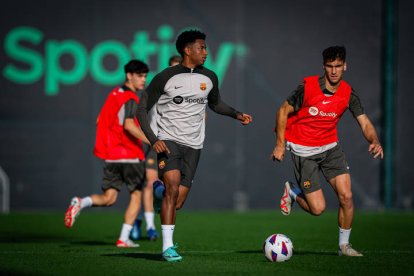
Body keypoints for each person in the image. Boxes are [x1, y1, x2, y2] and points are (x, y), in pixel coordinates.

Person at [137, 30, 253, 262]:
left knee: (177, 201)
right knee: (172, 187)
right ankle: (167, 247)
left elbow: (216, 104)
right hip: (168, 140)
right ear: (187, 50)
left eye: (206, 48)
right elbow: (141, 109)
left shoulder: (209, 77)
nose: (206, 52)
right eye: (201, 48)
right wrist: (154, 139)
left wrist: (236, 114)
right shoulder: (165, 77)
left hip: (194, 144)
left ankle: (158, 194)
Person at [270, 46, 384, 257]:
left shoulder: (348, 93)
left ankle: (344, 246)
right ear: (324, 66)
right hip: (304, 151)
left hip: (331, 148)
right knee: (318, 209)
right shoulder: (308, 87)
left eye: (338, 66)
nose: (334, 71)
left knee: (347, 197)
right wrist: (279, 144)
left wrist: (374, 140)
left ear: (345, 66)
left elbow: (365, 122)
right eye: (330, 66)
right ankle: (294, 192)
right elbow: (282, 111)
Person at [64, 60, 150, 248]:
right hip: (130, 154)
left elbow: (99, 120)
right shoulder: (131, 98)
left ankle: (81, 202)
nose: (144, 80)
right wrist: (151, 140)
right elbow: (128, 125)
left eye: (145, 76)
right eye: (140, 76)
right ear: (129, 76)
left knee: (109, 198)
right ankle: (123, 238)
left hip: (112, 156)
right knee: (136, 196)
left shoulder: (114, 94)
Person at [130, 55, 183, 241]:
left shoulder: (189, 89)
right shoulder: (160, 85)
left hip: (179, 143)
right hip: (157, 141)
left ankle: (137, 221)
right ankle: (150, 226)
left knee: (169, 188)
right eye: (174, 67)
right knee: (151, 182)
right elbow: (141, 110)